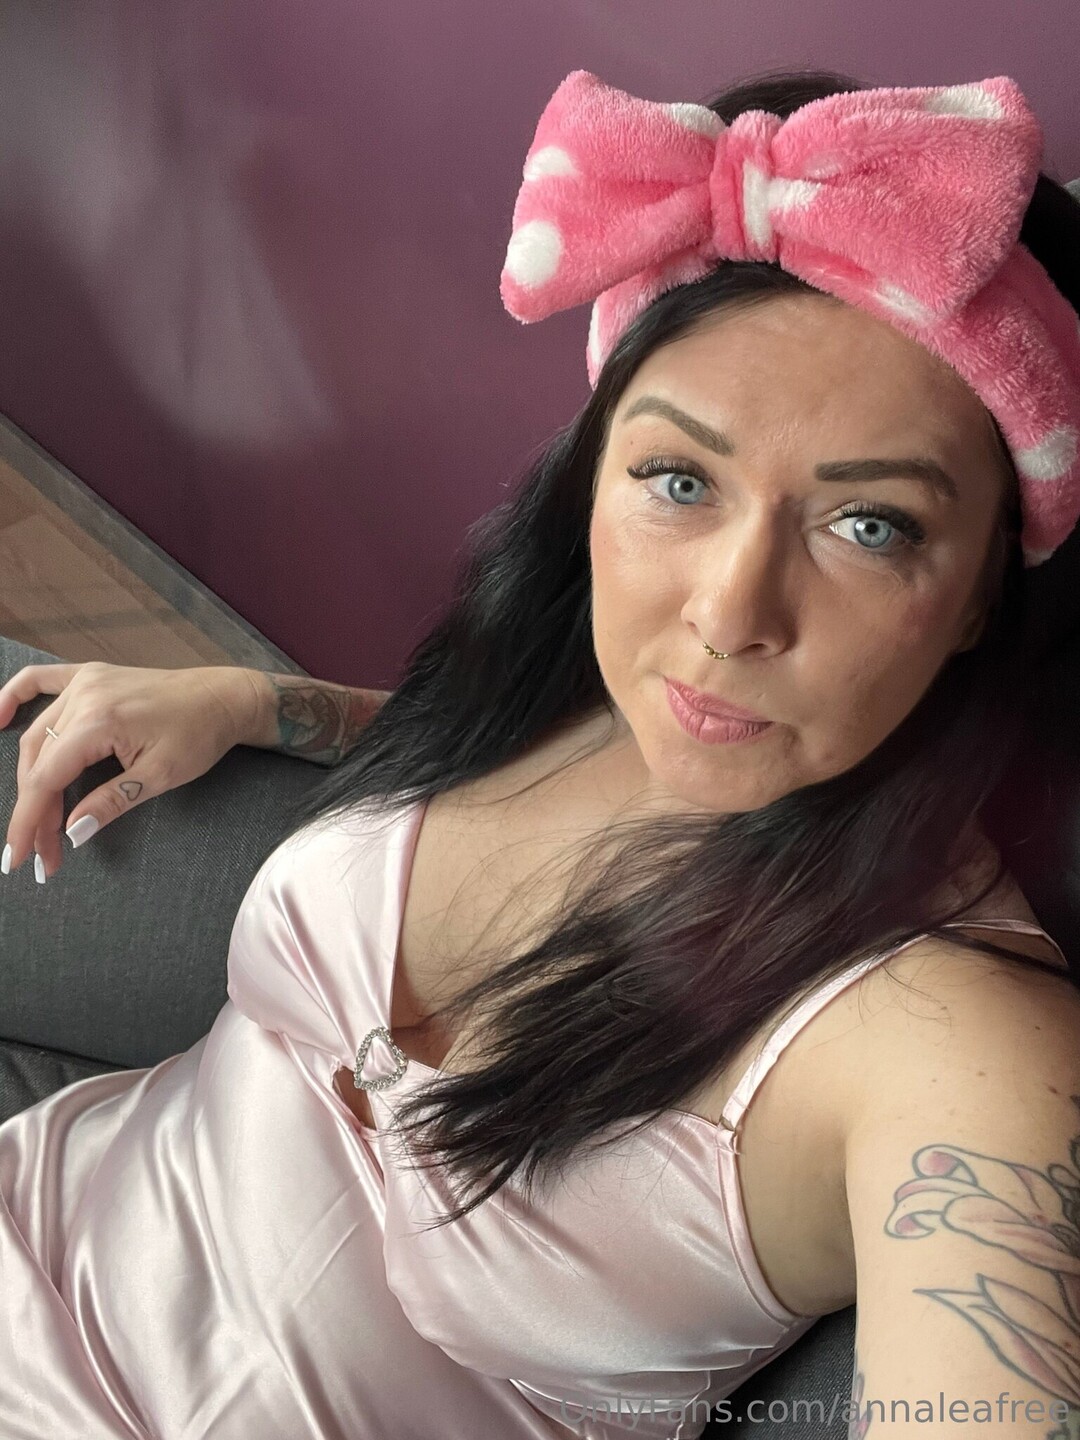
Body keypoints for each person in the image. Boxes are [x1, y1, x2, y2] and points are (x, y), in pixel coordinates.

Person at [2, 64, 1080, 1440]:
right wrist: (260, 701)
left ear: (986, 590)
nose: (727, 616)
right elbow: (485, 767)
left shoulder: (970, 1056)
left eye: (870, 526)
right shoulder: (576, 692)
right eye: (679, 482)